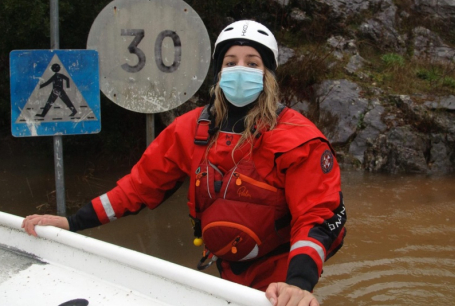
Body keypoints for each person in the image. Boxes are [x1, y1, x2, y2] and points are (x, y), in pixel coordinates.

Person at [22, 20, 347, 306]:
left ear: (269, 75)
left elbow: (318, 216)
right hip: (226, 269)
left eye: (253, 63)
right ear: (219, 73)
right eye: (231, 62)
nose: (240, 70)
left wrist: (298, 285)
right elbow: (136, 188)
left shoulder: (298, 139)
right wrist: (72, 222)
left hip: (279, 277)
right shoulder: (189, 131)